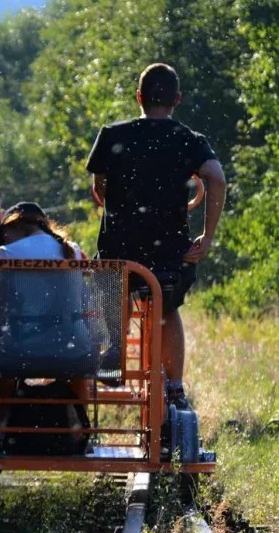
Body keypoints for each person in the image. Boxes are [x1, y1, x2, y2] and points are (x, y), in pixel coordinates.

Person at [85, 63, 227, 408]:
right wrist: (206, 238)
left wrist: (118, 204)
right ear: (177, 99)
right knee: (167, 310)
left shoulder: (113, 135)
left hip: (120, 248)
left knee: (113, 288)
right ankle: (175, 387)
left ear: (139, 96)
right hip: (169, 253)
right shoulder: (188, 139)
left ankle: (115, 353)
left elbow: (98, 186)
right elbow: (217, 179)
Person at [0, 203, 97, 454]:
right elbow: (83, 303)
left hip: (23, 349)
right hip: (75, 350)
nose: (3, 239)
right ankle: (79, 434)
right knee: (76, 359)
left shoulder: (8, 252)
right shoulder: (71, 250)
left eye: (4, 233)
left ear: (15, 226)